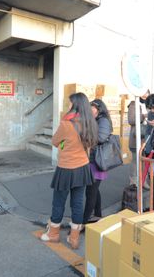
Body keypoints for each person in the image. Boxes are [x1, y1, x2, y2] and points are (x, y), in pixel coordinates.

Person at [41, 93, 97, 249]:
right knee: (78, 204)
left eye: (70, 103)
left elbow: (54, 142)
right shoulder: (90, 123)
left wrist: (64, 145)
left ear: (75, 105)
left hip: (66, 168)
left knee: (58, 202)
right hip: (83, 168)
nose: (68, 106)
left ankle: (53, 234)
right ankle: (74, 238)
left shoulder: (66, 124)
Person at [83, 99, 112, 224]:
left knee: (91, 191)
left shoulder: (103, 120)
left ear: (99, 109)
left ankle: (84, 220)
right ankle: (97, 214)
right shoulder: (95, 120)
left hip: (98, 160)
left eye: (92, 108)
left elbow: (100, 138)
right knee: (94, 189)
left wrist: (86, 134)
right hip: (94, 159)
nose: (90, 110)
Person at [127, 91, 149, 185]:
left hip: (147, 138)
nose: (144, 95)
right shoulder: (133, 104)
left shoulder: (150, 104)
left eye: (146, 93)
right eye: (143, 92)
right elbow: (131, 120)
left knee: (146, 161)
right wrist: (144, 116)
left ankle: (144, 181)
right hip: (136, 138)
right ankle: (133, 182)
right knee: (136, 161)